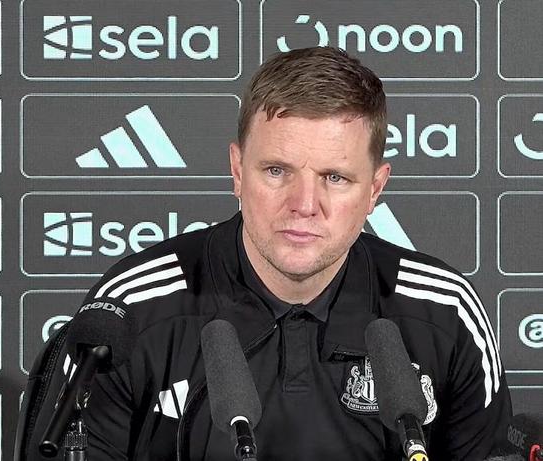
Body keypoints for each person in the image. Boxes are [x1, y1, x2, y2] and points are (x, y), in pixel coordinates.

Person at [79, 46, 512, 460]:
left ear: (375, 189)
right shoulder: (132, 309)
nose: (304, 205)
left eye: (335, 178)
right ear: (237, 171)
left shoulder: (445, 310)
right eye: (276, 170)